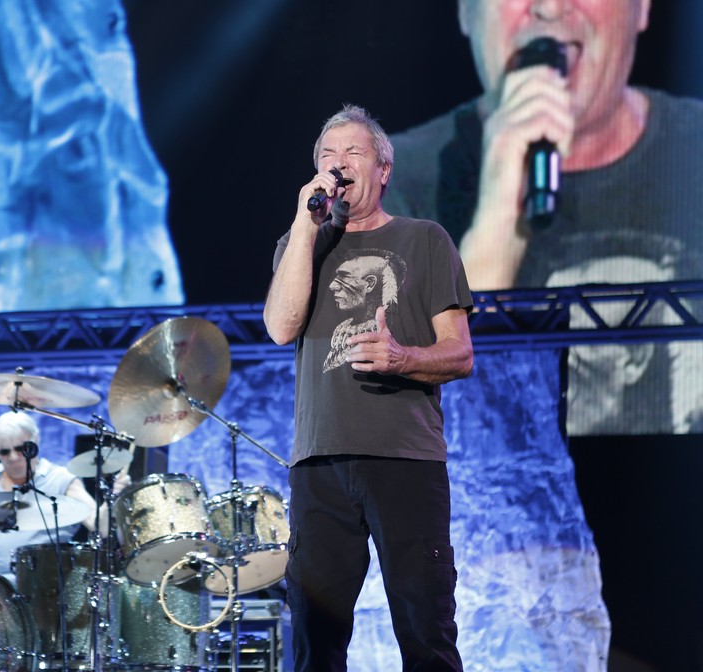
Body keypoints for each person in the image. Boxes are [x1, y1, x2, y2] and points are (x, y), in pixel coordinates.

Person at [384, 0, 703, 434]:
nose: (550, 8)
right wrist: (498, 223)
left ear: (643, 7)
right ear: (465, 11)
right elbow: (409, 440)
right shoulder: (385, 190)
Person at [264, 104, 474, 671]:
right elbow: (280, 328)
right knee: (316, 640)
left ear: (383, 169)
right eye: (327, 156)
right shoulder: (301, 244)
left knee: (426, 629)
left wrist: (402, 358)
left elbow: (460, 353)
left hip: (404, 459)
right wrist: (305, 225)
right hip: (319, 464)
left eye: (353, 152)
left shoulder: (425, 240)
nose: (339, 164)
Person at [0, 410, 129, 584]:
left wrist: (114, 496)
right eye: (5, 452)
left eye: (22, 449)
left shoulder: (61, 479)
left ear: (36, 440)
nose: (13, 457)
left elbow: (99, 527)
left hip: (41, 584)